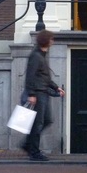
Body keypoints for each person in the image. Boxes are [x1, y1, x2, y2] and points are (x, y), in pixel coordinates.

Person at [23, 30, 65, 161]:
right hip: (38, 93)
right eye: (51, 39)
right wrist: (31, 94)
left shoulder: (42, 55)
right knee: (38, 123)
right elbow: (30, 76)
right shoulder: (36, 56)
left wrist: (56, 87)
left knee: (46, 120)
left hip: (43, 92)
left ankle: (28, 145)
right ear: (46, 41)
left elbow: (44, 76)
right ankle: (34, 152)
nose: (53, 41)